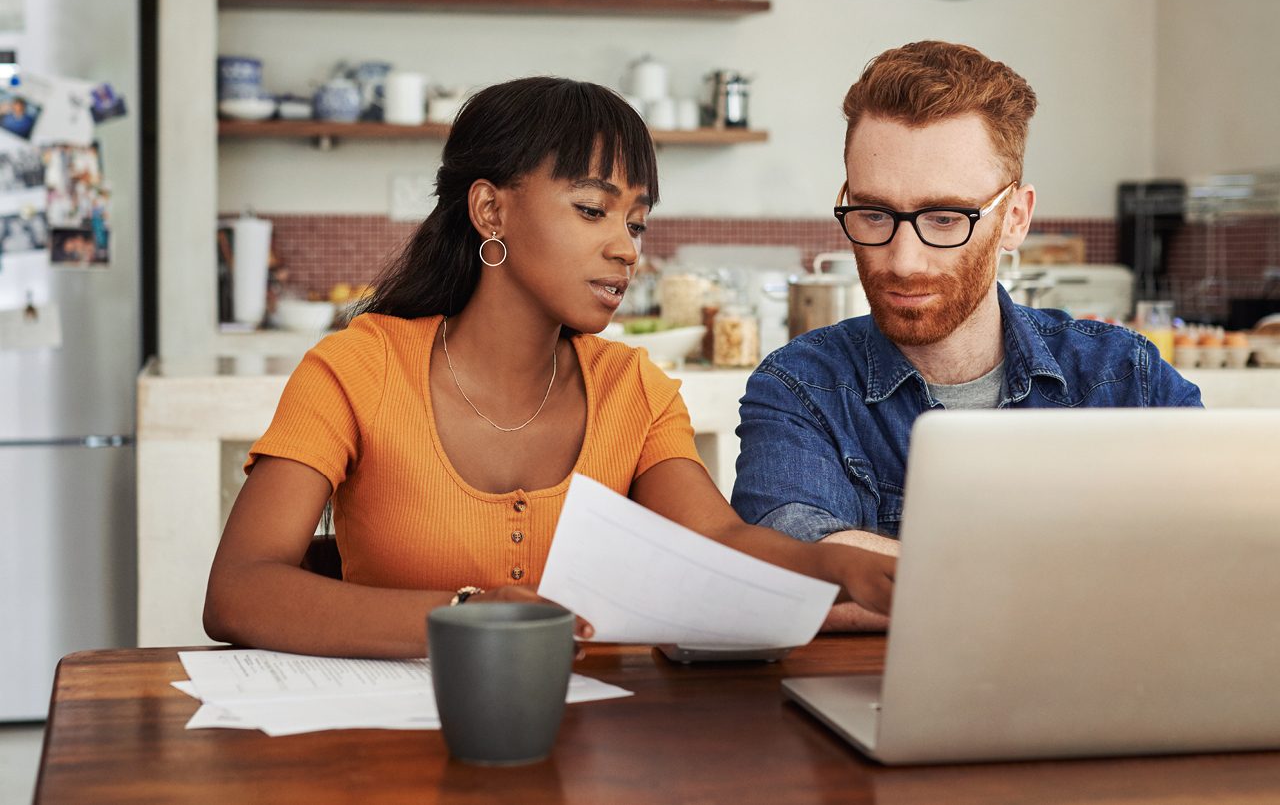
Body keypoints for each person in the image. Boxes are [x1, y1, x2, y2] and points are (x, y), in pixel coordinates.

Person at [203, 76, 895, 659]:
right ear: (489, 209)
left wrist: (833, 564)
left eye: (636, 222)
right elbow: (238, 590)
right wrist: (464, 615)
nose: (626, 249)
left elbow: (717, 542)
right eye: (592, 210)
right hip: (385, 756)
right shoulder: (357, 368)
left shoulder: (636, 390)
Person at [730, 41, 1201, 631]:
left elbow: (1209, 555)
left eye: (946, 218)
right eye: (874, 214)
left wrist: (912, 578)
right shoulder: (800, 386)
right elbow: (793, 572)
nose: (903, 260)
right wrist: (1086, 584)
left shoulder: (1124, 375)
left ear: (1016, 219)